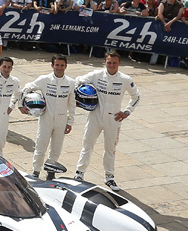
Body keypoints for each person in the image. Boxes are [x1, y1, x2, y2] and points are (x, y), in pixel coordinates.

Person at [74, 52, 140, 191]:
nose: (111, 65)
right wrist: (78, 98)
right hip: (95, 116)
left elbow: (136, 96)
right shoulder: (96, 75)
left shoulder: (125, 79)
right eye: (109, 62)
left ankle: (109, 177)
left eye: (114, 63)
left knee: (110, 149)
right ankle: (79, 173)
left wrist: (127, 112)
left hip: (114, 119)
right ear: (105, 62)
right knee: (87, 145)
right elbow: (77, 81)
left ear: (119, 63)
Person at [18, 55, 76, 179]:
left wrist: (70, 122)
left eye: (62, 65)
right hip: (46, 118)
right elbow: (27, 87)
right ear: (52, 65)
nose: (59, 68)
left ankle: (51, 172)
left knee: (56, 148)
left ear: (66, 66)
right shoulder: (44, 79)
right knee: (40, 146)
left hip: (61, 120)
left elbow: (72, 104)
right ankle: (36, 171)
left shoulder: (71, 83)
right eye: (57, 65)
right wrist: (20, 104)